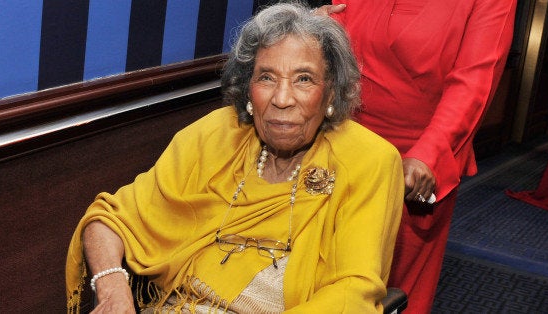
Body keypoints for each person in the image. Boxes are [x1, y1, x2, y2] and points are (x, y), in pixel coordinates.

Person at [66, 3, 405, 313]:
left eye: (304, 79)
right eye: (267, 78)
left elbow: (353, 291)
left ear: (330, 92)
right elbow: (109, 219)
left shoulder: (369, 161)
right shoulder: (215, 135)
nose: (282, 98)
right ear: (248, 91)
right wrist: (112, 286)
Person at [316, 0, 517, 312]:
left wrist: (429, 153)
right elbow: (340, 33)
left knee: (394, 287)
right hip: (341, 141)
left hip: (414, 160)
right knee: (321, 268)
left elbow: (475, 79)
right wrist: (316, 29)